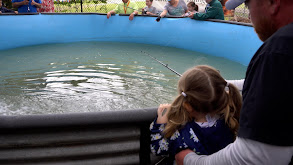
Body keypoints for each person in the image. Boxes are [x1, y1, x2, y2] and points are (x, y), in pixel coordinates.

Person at [176, 0, 293, 164]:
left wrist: (190, 160)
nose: (250, 16)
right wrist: (221, 84)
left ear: (273, 3)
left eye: (248, 5)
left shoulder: (279, 51)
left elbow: (258, 157)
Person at [150, 65, 242, 164]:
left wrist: (161, 122)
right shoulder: (229, 120)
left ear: (188, 106)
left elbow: (158, 148)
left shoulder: (181, 133)